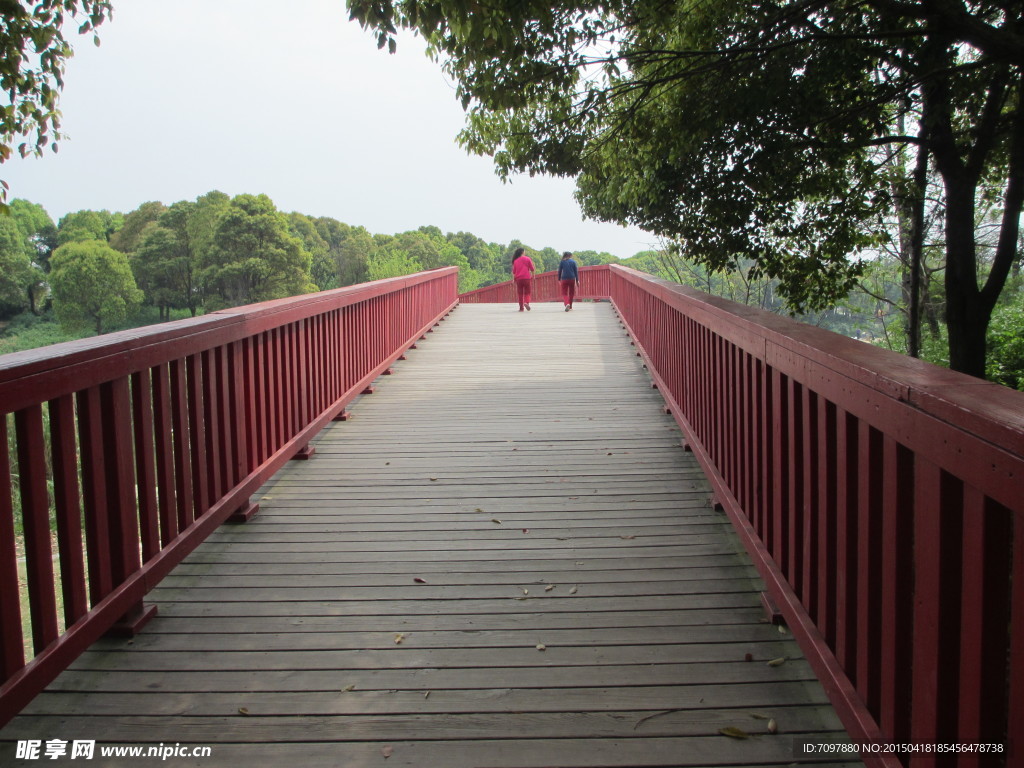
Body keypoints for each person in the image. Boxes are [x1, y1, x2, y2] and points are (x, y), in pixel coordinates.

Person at [511, 247, 535, 311]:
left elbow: (514, 272)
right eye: (524, 251)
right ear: (522, 252)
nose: (525, 252)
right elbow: (532, 268)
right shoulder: (527, 259)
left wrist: (513, 279)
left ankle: (521, 308)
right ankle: (526, 303)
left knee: (520, 294)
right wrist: (533, 275)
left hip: (519, 279)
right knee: (527, 292)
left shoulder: (515, 261)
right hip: (527, 278)